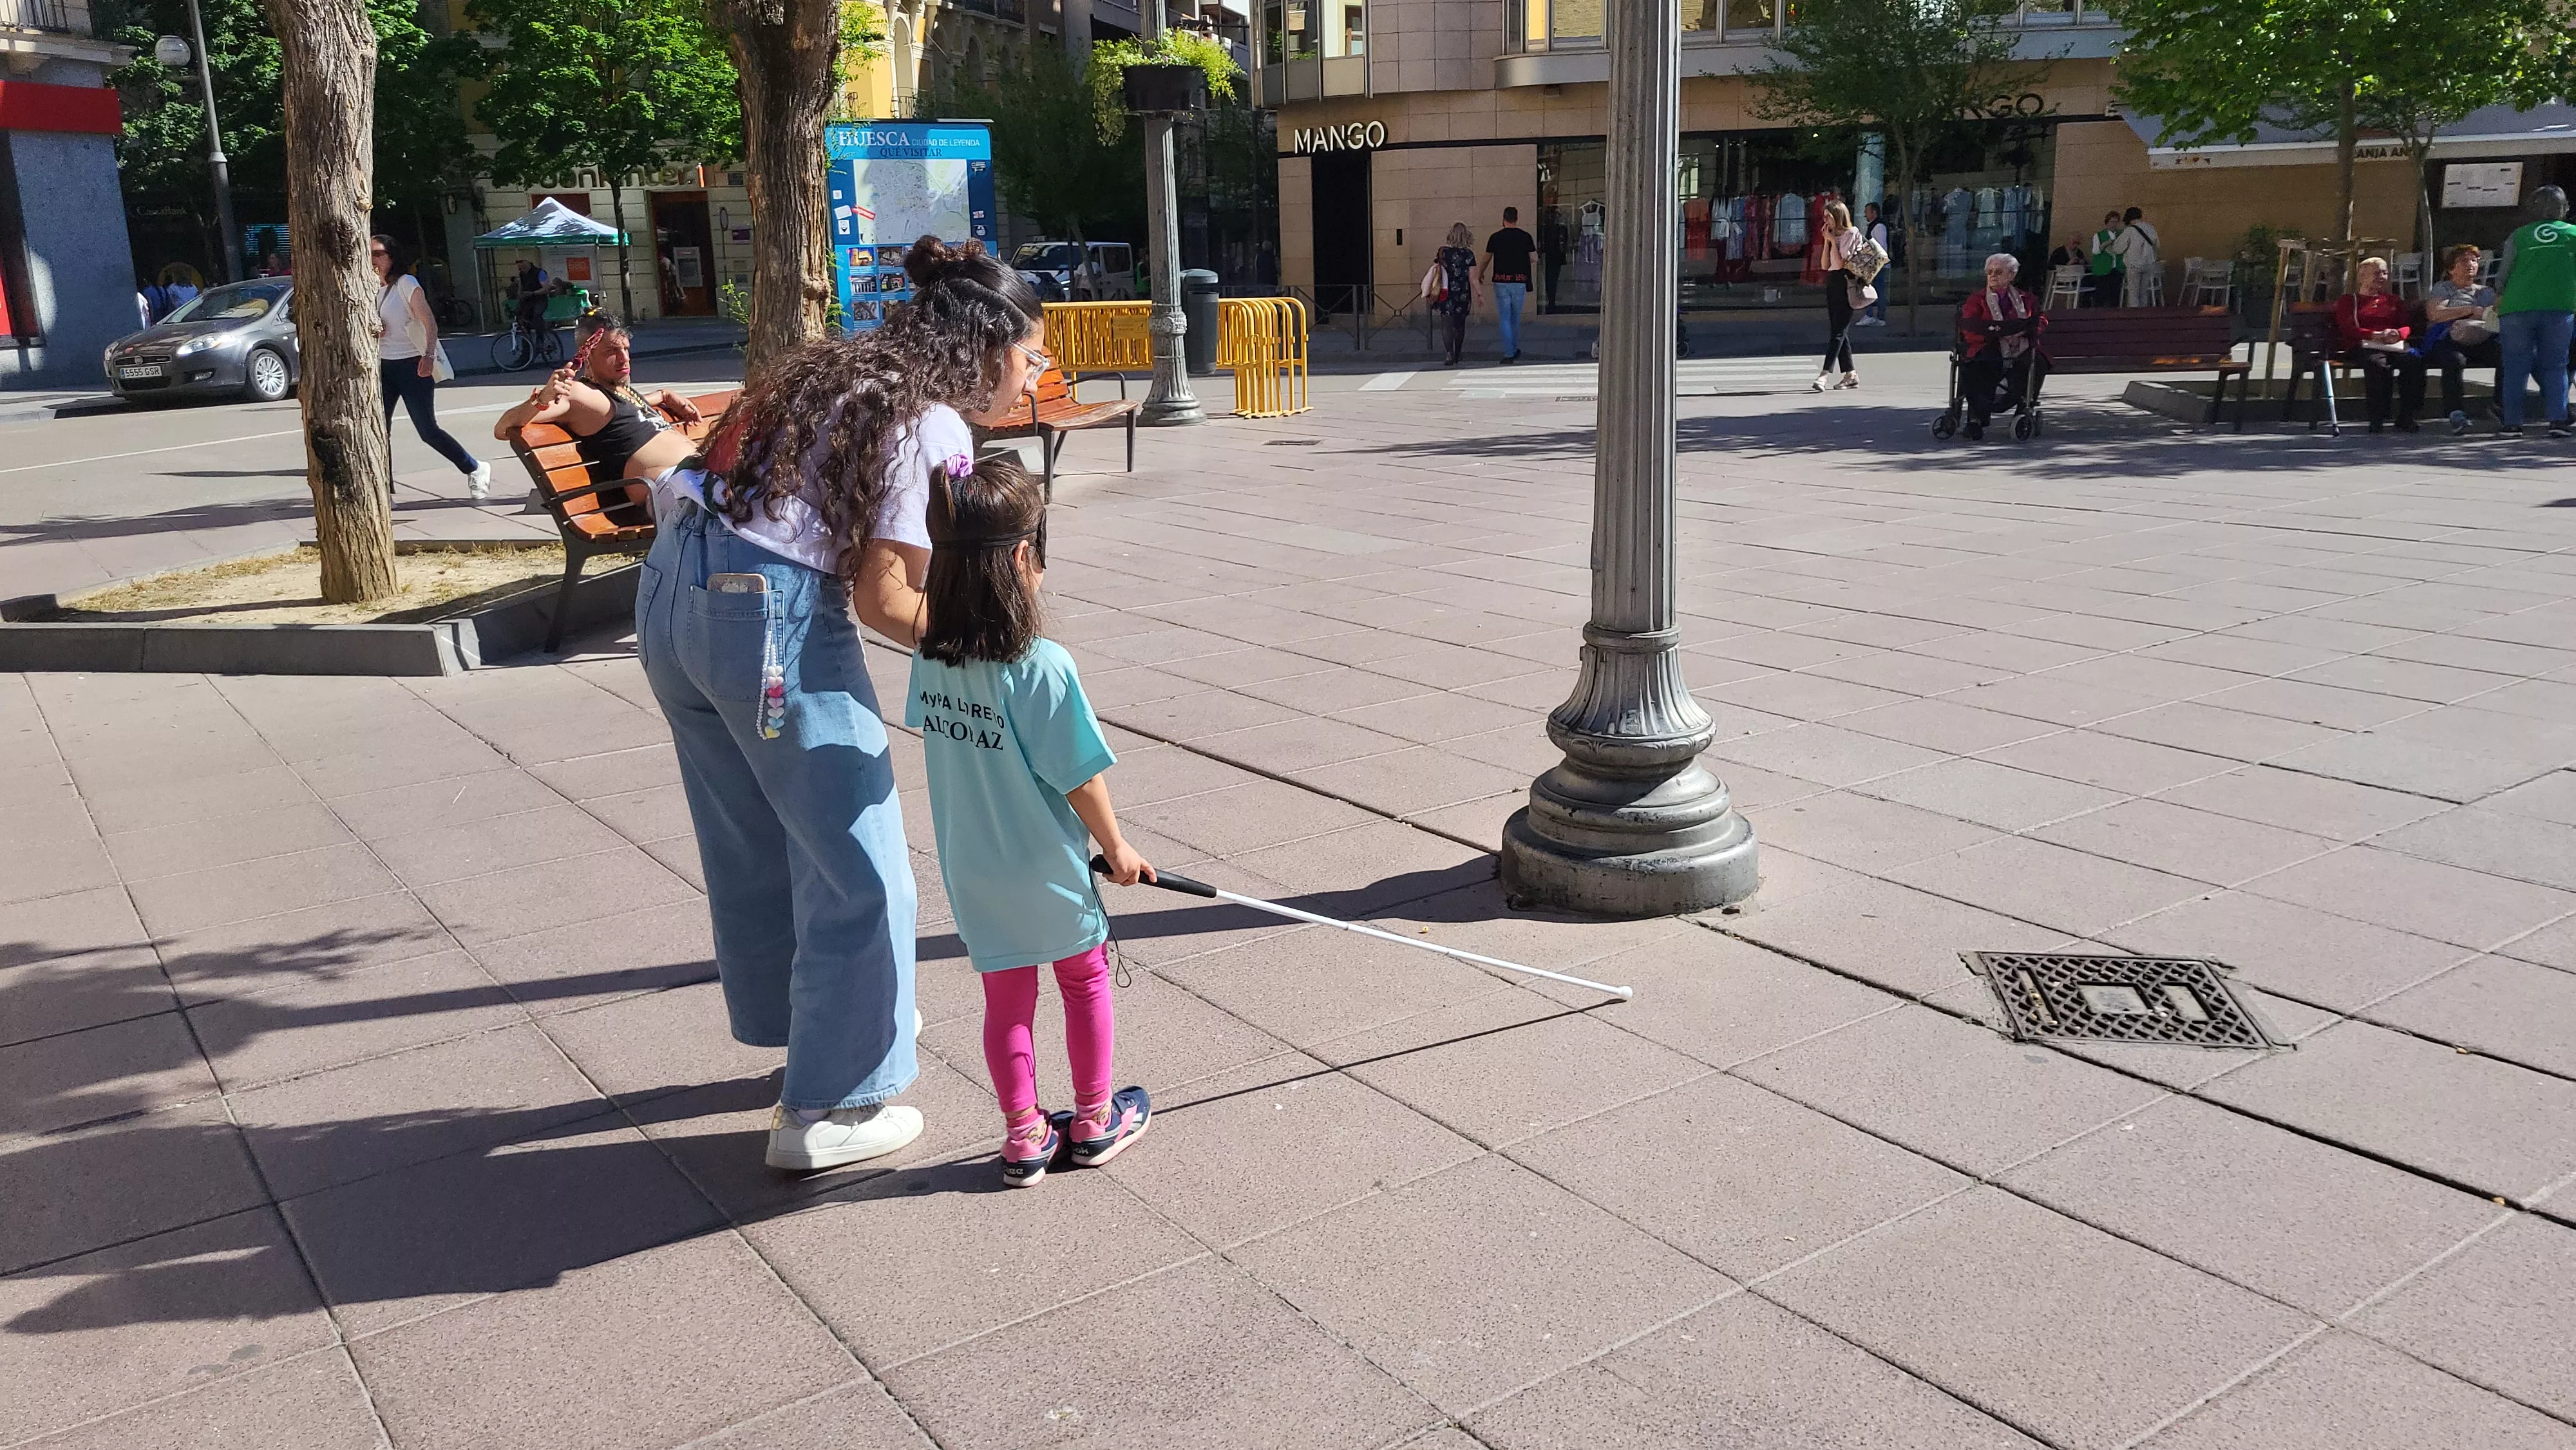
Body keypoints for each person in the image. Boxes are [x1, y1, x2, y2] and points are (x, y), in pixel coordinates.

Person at [633, 237, 1046, 1172]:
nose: (1031, 377)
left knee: (754, 842)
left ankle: (809, 1034)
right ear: (987, 348)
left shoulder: (835, 371)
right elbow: (886, 600)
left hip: (670, 597)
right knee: (863, 863)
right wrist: (995, 650)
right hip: (767, 622)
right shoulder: (930, 421)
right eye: (1031, 355)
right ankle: (831, 1107)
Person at [907, 451, 1155, 1187]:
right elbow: (1077, 774)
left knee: (1006, 1000)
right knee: (1083, 981)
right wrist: (1117, 847)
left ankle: (1023, 1137)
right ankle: (1093, 1119)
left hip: (973, 867)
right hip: (1045, 865)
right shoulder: (1040, 663)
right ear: (1022, 556)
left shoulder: (932, 655)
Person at [492, 310, 705, 511]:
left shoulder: (618, 390)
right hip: (675, 487)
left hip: (697, 476)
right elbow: (502, 429)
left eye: (626, 349)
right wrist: (543, 398)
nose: (624, 358)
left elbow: (620, 411)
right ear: (587, 355)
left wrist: (663, 395)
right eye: (612, 351)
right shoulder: (579, 394)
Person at [370, 236, 490, 498]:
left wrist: (428, 356)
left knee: (427, 430)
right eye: (368, 254)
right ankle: (383, 491)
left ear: (392, 256)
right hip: (383, 367)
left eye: (378, 254)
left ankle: (475, 468)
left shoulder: (406, 283)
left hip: (413, 364)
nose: (372, 260)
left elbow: (430, 323)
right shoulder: (371, 289)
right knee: (378, 430)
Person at [2493, 184, 2575, 438]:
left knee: (2515, 366)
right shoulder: (2573, 234)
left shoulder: (2519, 235)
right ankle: (2558, 421)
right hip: (2559, 307)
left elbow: (2503, 273)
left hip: (2516, 307)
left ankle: (2512, 424)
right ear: (2564, 208)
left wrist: (2500, 292)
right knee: (2556, 365)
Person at [1956, 252, 2050, 440]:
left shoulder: (2027, 299)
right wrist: (1998, 336)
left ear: (2012, 275)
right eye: (1989, 272)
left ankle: (2023, 413)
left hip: (2020, 346)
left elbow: (2040, 320)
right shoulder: (1977, 299)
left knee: (2038, 362)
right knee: (1982, 362)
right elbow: (1969, 327)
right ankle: (1977, 419)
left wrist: (2024, 334)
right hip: (1988, 345)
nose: (1993, 276)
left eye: (1999, 272)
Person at [2333, 256, 2425, 433]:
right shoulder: (2349, 300)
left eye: (2385, 273)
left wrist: (2398, 334)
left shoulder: (2393, 300)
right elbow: (2348, 327)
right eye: (2377, 273)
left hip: (2392, 344)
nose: (2382, 277)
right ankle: (2377, 417)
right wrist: (2375, 335)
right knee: (2377, 365)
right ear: (2362, 276)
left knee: (2414, 361)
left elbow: (2405, 325)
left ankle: (2407, 416)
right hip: (2363, 345)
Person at [2421, 243, 2499, 435]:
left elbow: (2496, 316)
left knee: (2508, 354)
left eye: (2474, 260)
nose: (2470, 265)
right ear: (2451, 269)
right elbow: (2435, 314)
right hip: (2450, 338)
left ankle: (2499, 405)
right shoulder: (2444, 288)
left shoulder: (2486, 292)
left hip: (2480, 338)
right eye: (2464, 261)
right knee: (2454, 360)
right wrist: (2470, 310)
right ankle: (2456, 413)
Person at [1812, 199, 1865, 390]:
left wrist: (1834, 241)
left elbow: (1842, 263)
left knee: (1838, 332)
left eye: (1829, 216)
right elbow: (1825, 264)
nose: (1825, 220)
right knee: (1838, 330)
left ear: (1838, 216)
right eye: (1824, 216)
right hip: (1833, 281)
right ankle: (1851, 374)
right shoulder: (1831, 235)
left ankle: (1824, 375)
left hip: (1846, 281)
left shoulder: (1852, 233)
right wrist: (1828, 241)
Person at [1481, 206, 1537, 361]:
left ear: (1503, 219)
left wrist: (1480, 274)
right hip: (1519, 281)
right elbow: (1535, 258)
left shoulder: (1495, 237)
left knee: (1504, 317)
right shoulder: (1525, 237)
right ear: (1516, 219)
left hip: (1501, 281)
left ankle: (1509, 352)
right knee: (1515, 318)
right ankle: (1514, 348)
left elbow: (1486, 259)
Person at [1428, 221, 1480, 367]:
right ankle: (1457, 353)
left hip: (1445, 292)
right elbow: (1473, 278)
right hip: (1462, 293)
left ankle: (1449, 353)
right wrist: (1480, 294)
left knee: (1446, 324)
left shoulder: (1443, 252)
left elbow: (1438, 270)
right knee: (1460, 325)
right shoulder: (1469, 254)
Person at [2114, 207, 2161, 306]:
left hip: (2134, 264)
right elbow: (2157, 245)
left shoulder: (2129, 231)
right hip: (2149, 263)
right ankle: (2144, 313)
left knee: (2133, 292)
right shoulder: (2151, 228)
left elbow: (2118, 249)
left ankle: (2135, 313)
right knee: (2144, 292)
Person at [1856, 202, 1892, 325]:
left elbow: (1881, 247)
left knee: (1870, 289)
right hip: (1876, 263)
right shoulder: (1876, 226)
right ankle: (1876, 316)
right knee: (1876, 290)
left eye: (1867, 212)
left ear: (1874, 213)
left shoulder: (1878, 227)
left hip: (1876, 264)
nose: (1865, 214)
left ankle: (1872, 315)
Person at [2087, 211, 2125, 308]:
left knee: (2115, 294)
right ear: (2107, 222)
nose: (2114, 224)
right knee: (2102, 294)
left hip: (2117, 268)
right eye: (2112, 222)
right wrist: (2107, 243)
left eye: (2116, 222)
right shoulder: (2099, 235)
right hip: (2103, 269)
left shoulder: (2121, 234)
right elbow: (2096, 251)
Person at [509, 259, 552, 330]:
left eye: (521, 262)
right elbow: (521, 288)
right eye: (518, 263)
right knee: (524, 318)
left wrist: (533, 293)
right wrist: (519, 297)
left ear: (528, 262)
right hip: (527, 300)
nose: (519, 265)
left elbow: (546, 289)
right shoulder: (522, 274)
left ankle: (540, 336)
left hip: (540, 300)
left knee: (537, 315)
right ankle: (527, 335)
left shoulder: (540, 272)